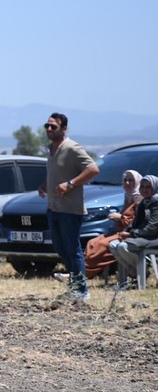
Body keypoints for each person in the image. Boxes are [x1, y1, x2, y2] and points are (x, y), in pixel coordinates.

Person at [38, 113, 101, 300]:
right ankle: (74, 284)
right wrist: (44, 185)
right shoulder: (50, 149)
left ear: (64, 128)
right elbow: (56, 173)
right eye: (47, 126)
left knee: (73, 250)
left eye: (53, 127)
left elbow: (93, 169)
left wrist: (70, 184)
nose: (49, 130)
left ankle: (81, 290)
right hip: (54, 208)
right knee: (60, 247)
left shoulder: (72, 148)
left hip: (70, 210)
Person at [84, 169, 141, 282]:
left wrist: (120, 217)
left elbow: (138, 222)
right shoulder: (128, 197)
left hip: (130, 234)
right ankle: (81, 271)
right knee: (92, 242)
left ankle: (83, 274)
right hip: (119, 231)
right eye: (125, 180)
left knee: (101, 244)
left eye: (131, 180)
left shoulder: (139, 199)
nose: (128, 183)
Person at [109, 174, 158, 290]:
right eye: (143, 187)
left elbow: (153, 227)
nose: (145, 190)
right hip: (142, 236)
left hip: (154, 238)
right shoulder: (143, 202)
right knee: (113, 244)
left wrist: (131, 234)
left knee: (123, 246)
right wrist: (125, 232)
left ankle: (141, 272)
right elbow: (135, 223)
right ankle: (136, 271)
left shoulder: (156, 202)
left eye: (148, 187)